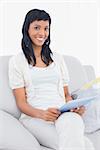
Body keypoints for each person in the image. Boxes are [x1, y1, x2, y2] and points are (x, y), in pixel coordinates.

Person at [9, 9, 94, 150]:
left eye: (46, 28)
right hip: (35, 118)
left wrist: (73, 106)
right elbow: (21, 103)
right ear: (27, 29)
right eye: (37, 28)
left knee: (74, 122)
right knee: (85, 145)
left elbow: (66, 94)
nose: (42, 33)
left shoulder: (58, 59)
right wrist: (43, 114)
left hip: (62, 114)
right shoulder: (17, 61)